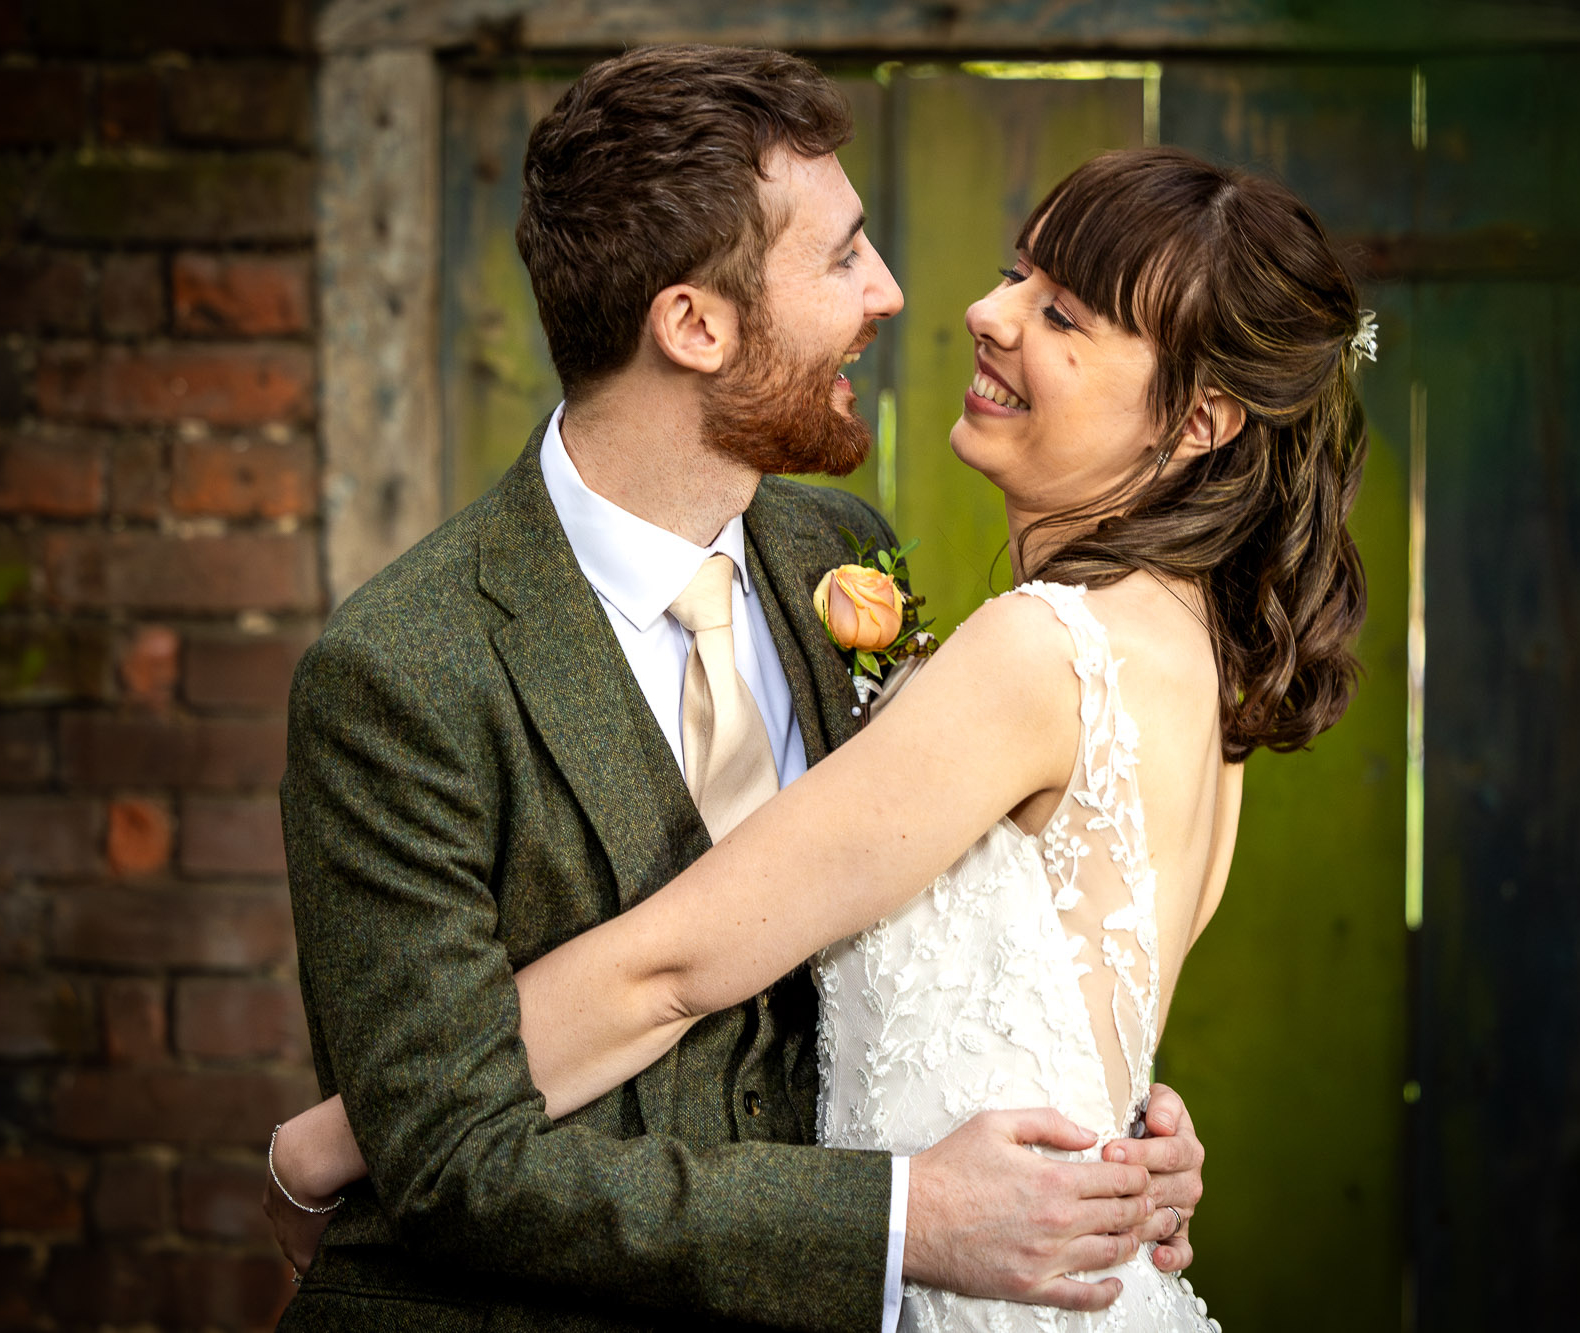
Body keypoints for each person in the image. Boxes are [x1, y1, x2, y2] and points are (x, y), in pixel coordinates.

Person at [269, 46, 1210, 1333]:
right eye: (839, 259)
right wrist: (902, 1220)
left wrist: (1105, 1133)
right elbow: (455, 1160)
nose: (889, 294)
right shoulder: (400, 674)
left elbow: (941, 928)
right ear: (693, 326)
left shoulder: (840, 554)